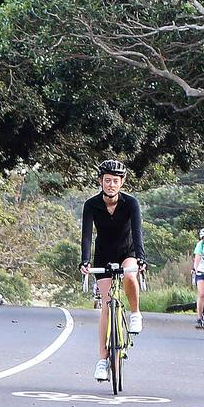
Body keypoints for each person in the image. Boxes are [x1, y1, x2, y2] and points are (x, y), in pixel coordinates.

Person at [79, 159, 145, 382]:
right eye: (107, 181)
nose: (111, 185)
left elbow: (137, 232)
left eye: (115, 181)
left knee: (130, 275)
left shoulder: (131, 203)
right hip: (103, 256)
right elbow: (87, 235)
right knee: (107, 304)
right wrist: (85, 261)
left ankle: (135, 313)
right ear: (101, 182)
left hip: (127, 252)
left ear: (122, 183)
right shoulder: (92, 204)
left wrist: (141, 258)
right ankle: (102, 360)